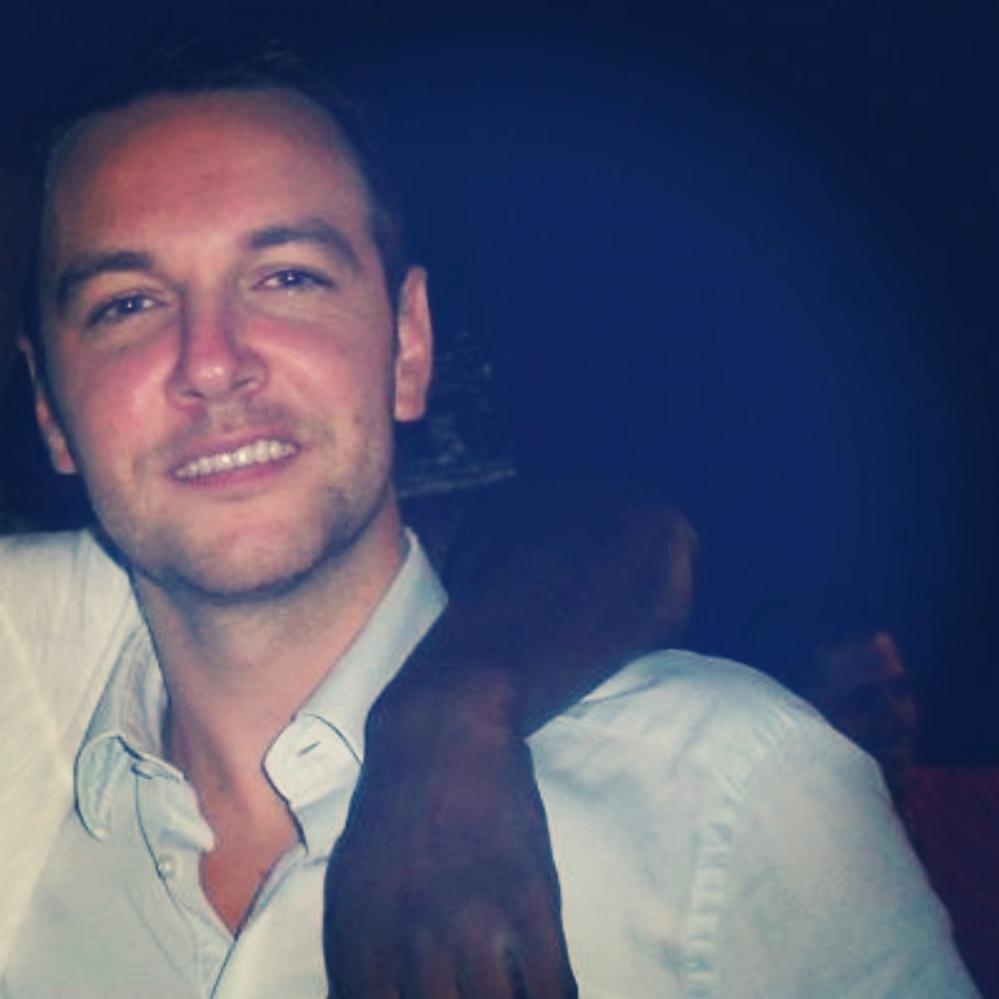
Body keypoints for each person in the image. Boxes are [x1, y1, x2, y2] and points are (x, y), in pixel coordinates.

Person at [0, 38, 975, 997]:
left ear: (409, 343)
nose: (212, 362)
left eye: (289, 278)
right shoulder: (24, 754)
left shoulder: (731, 791)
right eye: (127, 304)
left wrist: (452, 719)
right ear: (48, 407)